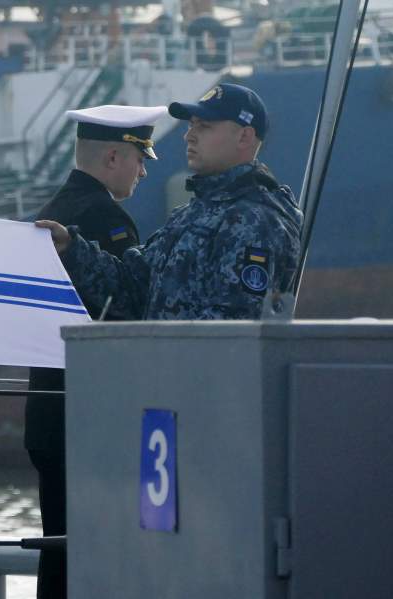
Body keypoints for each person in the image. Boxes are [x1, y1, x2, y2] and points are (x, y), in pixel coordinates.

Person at [26, 104, 165, 598]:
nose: (145, 171)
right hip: (93, 416)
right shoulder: (106, 219)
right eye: (139, 158)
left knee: (59, 550)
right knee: (99, 553)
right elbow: (126, 308)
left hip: (48, 408)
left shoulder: (55, 208)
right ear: (112, 158)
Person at [37, 83, 303, 322]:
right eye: (191, 125)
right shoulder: (189, 215)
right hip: (164, 371)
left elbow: (232, 331)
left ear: (244, 137)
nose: (189, 136)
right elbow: (133, 288)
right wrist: (71, 249)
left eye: (205, 126)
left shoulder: (257, 221)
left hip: (191, 375)